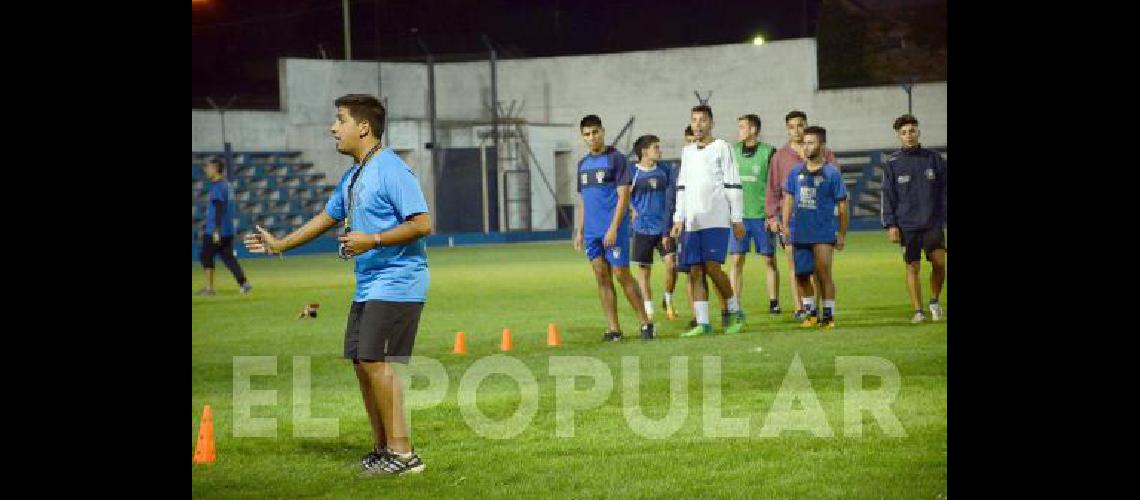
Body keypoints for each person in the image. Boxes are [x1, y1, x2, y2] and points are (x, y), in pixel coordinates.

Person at [244, 94, 430, 475]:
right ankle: (382, 449)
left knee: (376, 362)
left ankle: (404, 454)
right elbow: (325, 218)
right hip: (369, 284)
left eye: (340, 120)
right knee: (362, 364)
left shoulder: (391, 168)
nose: (333, 128)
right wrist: (280, 244)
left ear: (363, 127)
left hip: (398, 281)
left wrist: (372, 240)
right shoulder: (355, 175)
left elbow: (423, 224)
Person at [572, 115, 655, 341]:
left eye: (595, 132)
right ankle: (614, 329)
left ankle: (646, 323)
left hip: (613, 230)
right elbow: (583, 201)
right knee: (601, 276)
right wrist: (579, 230)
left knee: (621, 274)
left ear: (603, 131)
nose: (592, 138)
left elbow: (623, 197)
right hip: (591, 232)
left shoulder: (616, 159)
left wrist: (613, 229)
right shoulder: (582, 164)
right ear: (583, 137)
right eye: (587, 134)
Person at [671, 105, 746, 337]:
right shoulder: (688, 151)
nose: (698, 125)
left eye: (703, 120)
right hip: (693, 221)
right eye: (694, 120)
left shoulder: (722, 147)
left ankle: (734, 310)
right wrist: (678, 217)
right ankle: (703, 323)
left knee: (713, 268)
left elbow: (733, 183)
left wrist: (736, 218)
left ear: (711, 123)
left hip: (716, 217)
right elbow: (681, 186)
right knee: (694, 270)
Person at [765, 110, 839, 321]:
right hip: (793, 223)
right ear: (787, 130)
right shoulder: (780, 156)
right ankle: (801, 309)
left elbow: (835, 184)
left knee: (821, 269)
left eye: (800, 125)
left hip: (819, 221)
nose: (796, 130)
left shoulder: (825, 154)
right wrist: (773, 217)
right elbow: (773, 189)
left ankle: (820, 310)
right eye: (792, 127)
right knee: (797, 268)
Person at [881, 114, 947, 323]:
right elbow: (887, 195)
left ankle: (934, 300)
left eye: (912, 131)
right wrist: (891, 224)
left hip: (932, 222)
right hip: (906, 224)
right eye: (904, 132)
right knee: (912, 266)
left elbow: (944, 191)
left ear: (918, 132)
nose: (908, 135)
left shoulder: (934, 159)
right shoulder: (892, 164)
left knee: (939, 264)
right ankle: (918, 311)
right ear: (898, 136)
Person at [780, 126, 848, 328]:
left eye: (811, 142)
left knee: (823, 272)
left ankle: (828, 315)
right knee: (801, 275)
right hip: (800, 231)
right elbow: (789, 199)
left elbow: (843, 206)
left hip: (823, 232)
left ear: (822, 145)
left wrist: (842, 233)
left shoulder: (831, 173)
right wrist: (784, 225)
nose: (806, 147)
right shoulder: (795, 172)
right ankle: (810, 313)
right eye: (804, 143)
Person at [728, 114, 780, 314]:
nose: (739, 131)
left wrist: (772, 214)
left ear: (753, 130)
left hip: (761, 216)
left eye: (742, 127)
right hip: (738, 217)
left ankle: (774, 302)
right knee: (736, 260)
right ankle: (735, 305)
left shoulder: (768, 152)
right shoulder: (732, 152)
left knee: (768, 259)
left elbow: (774, 185)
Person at [628, 134, 677, 321]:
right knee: (644, 271)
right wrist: (630, 210)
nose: (660, 150)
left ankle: (668, 299)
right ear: (644, 152)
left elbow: (673, 195)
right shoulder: (633, 173)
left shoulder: (664, 169)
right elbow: (621, 196)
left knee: (672, 265)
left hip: (664, 228)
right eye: (656, 147)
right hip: (642, 229)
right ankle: (649, 308)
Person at [196, 157, 252, 296]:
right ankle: (244, 283)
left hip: (215, 230)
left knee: (205, 256)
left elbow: (219, 207)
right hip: (228, 230)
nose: (206, 170)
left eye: (208, 168)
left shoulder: (217, 186)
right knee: (228, 258)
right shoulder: (227, 185)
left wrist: (216, 229)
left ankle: (209, 289)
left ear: (215, 169)